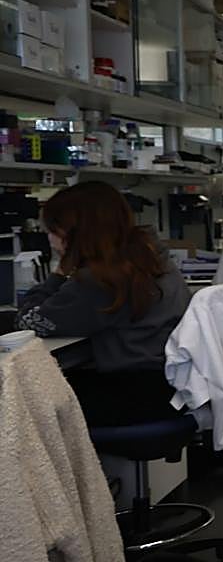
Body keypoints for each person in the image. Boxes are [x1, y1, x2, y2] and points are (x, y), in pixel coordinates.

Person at [17, 181, 188, 426]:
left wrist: (57, 274)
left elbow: (29, 322)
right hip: (168, 389)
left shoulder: (99, 280)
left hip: (132, 397)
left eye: (53, 231)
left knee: (22, 408)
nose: (50, 240)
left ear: (75, 233)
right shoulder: (152, 257)